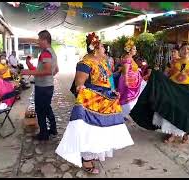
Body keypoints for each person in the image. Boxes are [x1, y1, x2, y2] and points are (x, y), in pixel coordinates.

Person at [56, 32, 134, 174]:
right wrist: (87, 92)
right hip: (91, 102)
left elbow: (106, 81)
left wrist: (112, 91)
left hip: (105, 100)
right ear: (95, 49)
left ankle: (92, 155)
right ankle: (86, 159)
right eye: (103, 47)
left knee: (100, 129)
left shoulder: (102, 62)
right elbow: (80, 85)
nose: (105, 49)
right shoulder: (85, 64)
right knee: (89, 130)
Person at [129, 43, 189, 144]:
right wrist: (156, 76)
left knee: (187, 113)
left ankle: (186, 133)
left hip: (187, 91)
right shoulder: (173, 61)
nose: (186, 51)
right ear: (180, 51)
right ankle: (172, 134)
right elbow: (165, 75)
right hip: (172, 89)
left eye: (188, 49)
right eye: (183, 49)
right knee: (173, 112)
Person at [21, 30, 59, 141]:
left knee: (40, 110)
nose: (38, 42)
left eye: (39, 39)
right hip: (48, 85)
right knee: (47, 108)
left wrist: (29, 72)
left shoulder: (45, 53)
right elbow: (55, 70)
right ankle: (53, 128)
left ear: (44, 40)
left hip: (42, 87)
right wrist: (30, 67)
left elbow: (47, 71)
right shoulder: (52, 52)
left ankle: (44, 134)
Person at [117, 39, 147, 118]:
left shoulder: (131, 58)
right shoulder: (128, 58)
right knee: (127, 98)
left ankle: (126, 114)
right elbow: (125, 72)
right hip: (129, 83)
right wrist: (126, 82)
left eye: (135, 49)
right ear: (129, 50)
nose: (135, 50)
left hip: (133, 82)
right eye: (134, 49)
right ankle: (123, 114)